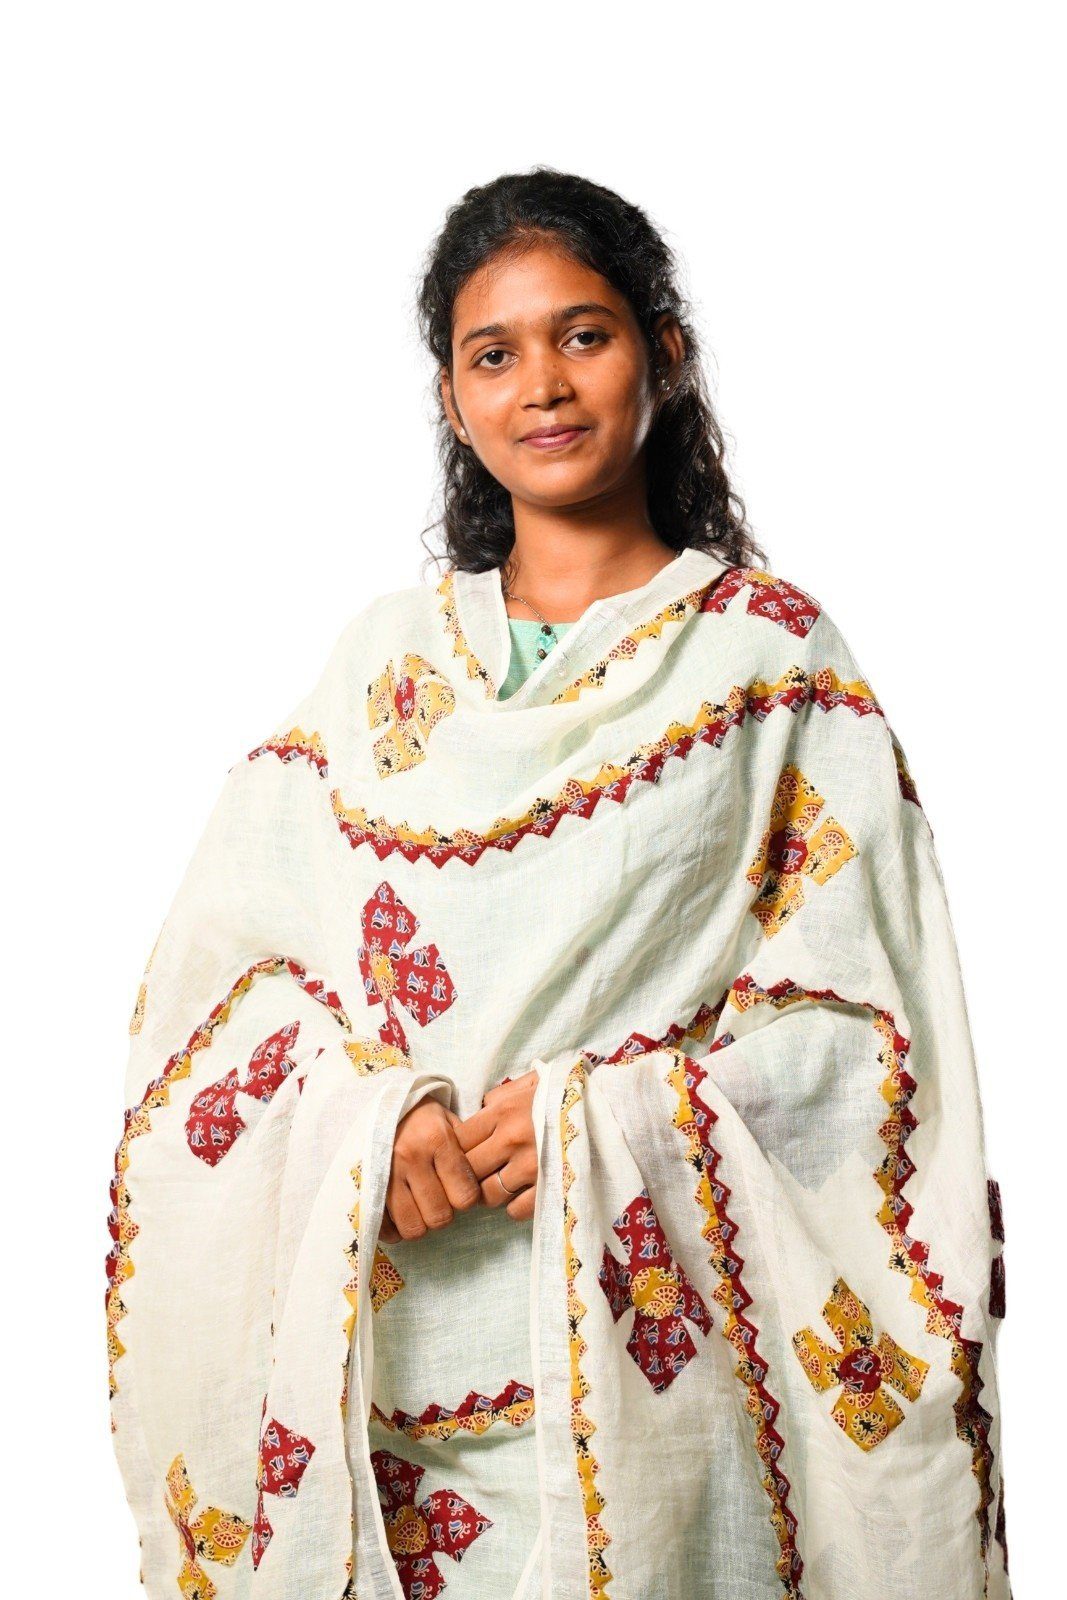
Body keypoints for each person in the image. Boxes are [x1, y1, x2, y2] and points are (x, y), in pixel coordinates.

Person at [107, 168, 1012, 1600]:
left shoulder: (767, 661)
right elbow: (221, 982)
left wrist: (613, 1116)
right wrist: (373, 1116)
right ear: (453, 399)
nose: (541, 383)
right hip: (383, 1398)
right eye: (494, 353)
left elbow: (869, 1039)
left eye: (583, 335)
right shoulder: (384, 667)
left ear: (665, 351)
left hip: (659, 1392)